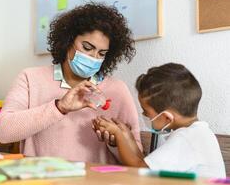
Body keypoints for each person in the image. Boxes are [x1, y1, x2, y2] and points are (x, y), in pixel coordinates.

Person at [0, 3, 142, 164]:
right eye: (87, 47)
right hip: (43, 179)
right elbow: (3, 132)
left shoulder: (117, 90)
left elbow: (137, 159)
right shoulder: (30, 78)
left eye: (101, 53)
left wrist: (116, 144)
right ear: (68, 40)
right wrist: (59, 107)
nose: (93, 57)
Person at [93, 63, 226, 178]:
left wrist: (118, 134)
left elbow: (141, 170)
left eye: (146, 112)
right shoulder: (197, 133)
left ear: (167, 117)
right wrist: (128, 138)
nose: (144, 115)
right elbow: (146, 163)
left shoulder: (185, 139)